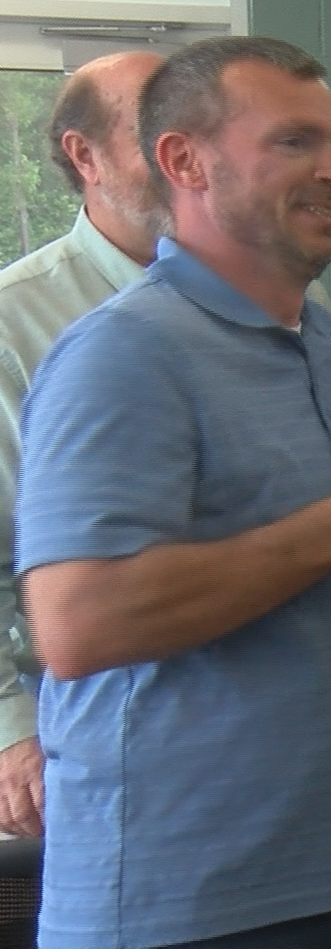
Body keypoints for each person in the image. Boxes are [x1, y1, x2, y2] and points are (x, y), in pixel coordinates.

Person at [14, 35, 331, 949]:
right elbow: (80, 624)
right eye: (294, 143)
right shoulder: (121, 354)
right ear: (183, 161)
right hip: (192, 901)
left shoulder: (330, 348)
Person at [0, 49, 162, 839]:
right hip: (87, 749)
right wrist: (12, 728)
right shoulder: (14, 324)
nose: (186, 150)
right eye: (158, 127)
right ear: (84, 154)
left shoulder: (285, 301)